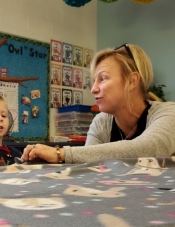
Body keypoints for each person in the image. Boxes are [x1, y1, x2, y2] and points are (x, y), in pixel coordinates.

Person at [21, 43, 175, 164]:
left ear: (132, 81)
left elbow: (150, 148)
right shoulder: (101, 122)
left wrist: (60, 154)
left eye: (103, 78)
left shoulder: (168, 113)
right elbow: (89, 166)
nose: (93, 89)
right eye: (94, 81)